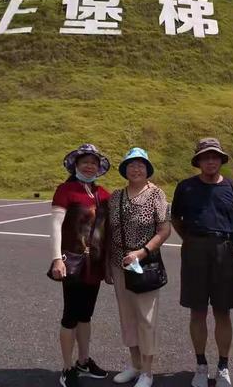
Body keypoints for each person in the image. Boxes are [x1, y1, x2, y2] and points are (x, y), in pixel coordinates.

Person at [170, 138, 233, 387]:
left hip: (224, 251)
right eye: (206, 157)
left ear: (221, 160)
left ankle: (223, 366)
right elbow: (176, 220)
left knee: (223, 311)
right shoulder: (186, 187)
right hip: (194, 251)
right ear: (199, 161)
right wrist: (192, 240)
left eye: (215, 156)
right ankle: (201, 365)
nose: (211, 161)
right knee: (198, 311)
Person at [107, 147, 171, 387]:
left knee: (146, 317)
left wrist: (142, 252)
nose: (136, 168)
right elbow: (110, 233)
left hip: (144, 263)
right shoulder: (115, 197)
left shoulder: (156, 195)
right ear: (125, 169)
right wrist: (107, 266)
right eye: (131, 165)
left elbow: (165, 229)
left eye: (140, 165)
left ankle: (148, 370)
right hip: (118, 263)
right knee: (127, 317)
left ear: (147, 169)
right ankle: (134, 364)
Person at [50, 144, 111, 387]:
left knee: (86, 315)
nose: (89, 165)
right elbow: (56, 225)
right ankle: (67, 366)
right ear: (76, 164)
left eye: (94, 162)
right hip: (72, 262)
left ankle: (83, 361)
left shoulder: (103, 193)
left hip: (94, 264)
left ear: (99, 167)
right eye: (85, 161)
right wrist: (56, 258)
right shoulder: (66, 190)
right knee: (70, 316)